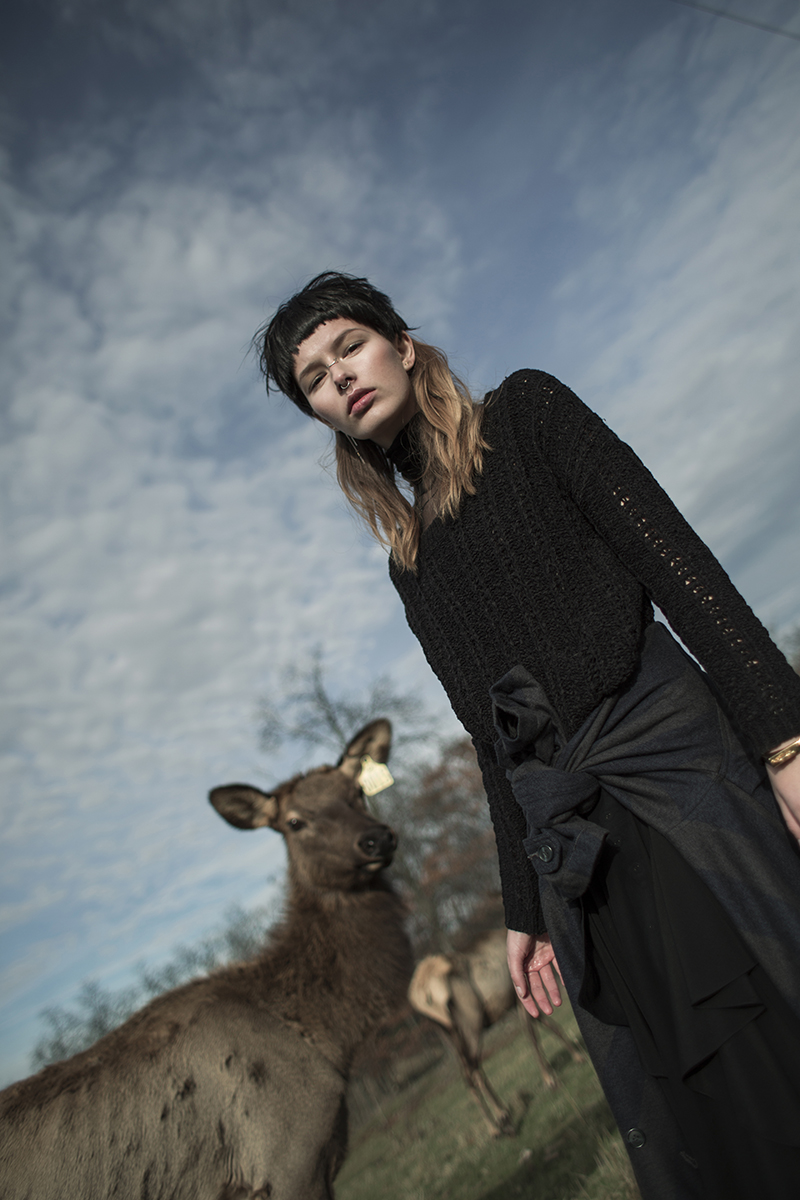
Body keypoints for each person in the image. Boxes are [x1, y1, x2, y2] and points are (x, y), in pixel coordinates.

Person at [255, 271, 800, 1199]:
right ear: (323, 416)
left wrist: (783, 739)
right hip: (581, 857)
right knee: (698, 1115)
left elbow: (678, 564)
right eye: (314, 378)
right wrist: (524, 909)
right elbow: (490, 738)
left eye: (349, 346)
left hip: (679, 779)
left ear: (402, 346)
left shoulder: (531, 415)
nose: (338, 376)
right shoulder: (411, 565)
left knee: (770, 1049)